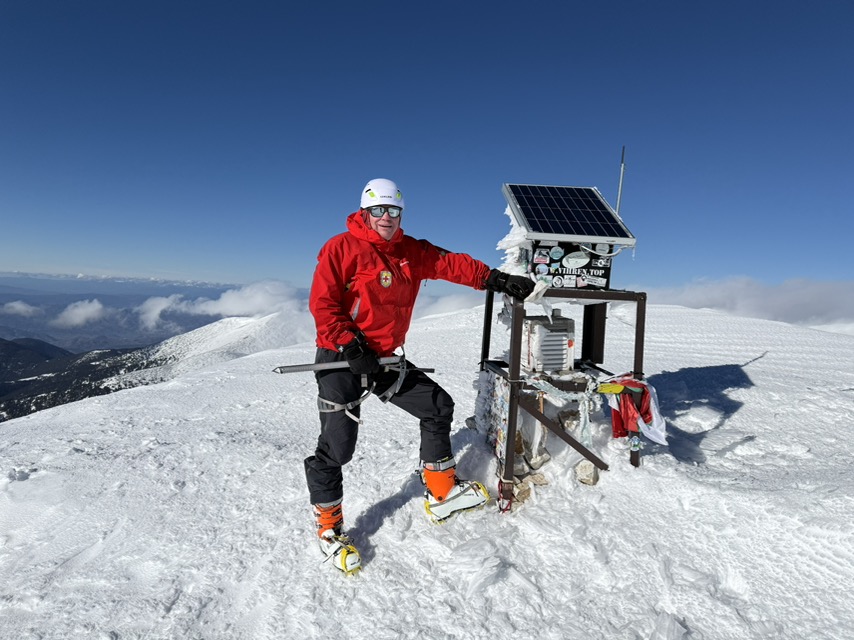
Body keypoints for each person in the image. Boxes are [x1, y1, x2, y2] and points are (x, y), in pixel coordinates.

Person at [304, 178, 535, 574]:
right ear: (364, 212)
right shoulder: (341, 247)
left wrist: (496, 279)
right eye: (378, 210)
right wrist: (349, 343)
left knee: (436, 405)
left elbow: (452, 264)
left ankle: (442, 491)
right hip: (341, 358)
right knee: (338, 448)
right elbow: (323, 303)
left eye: (394, 211)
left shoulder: (411, 251)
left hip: (383, 360)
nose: (386, 218)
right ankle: (328, 528)